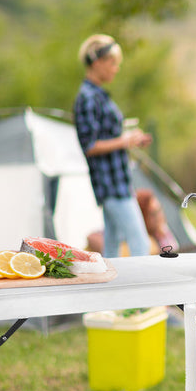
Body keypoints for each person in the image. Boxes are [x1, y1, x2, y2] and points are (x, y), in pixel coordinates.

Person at [74, 34, 152, 258]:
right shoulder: (87, 98)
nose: (116, 69)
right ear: (97, 62)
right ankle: (140, 292)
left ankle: (109, 291)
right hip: (111, 185)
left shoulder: (98, 95)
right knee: (140, 244)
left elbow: (107, 137)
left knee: (112, 248)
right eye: (112, 63)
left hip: (118, 181)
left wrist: (129, 139)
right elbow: (89, 145)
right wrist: (126, 141)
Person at [136, 188, 179, 254]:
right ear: (143, 217)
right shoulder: (143, 242)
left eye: (159, 209)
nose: (159, 216)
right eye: (153, 214)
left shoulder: (164, 230)